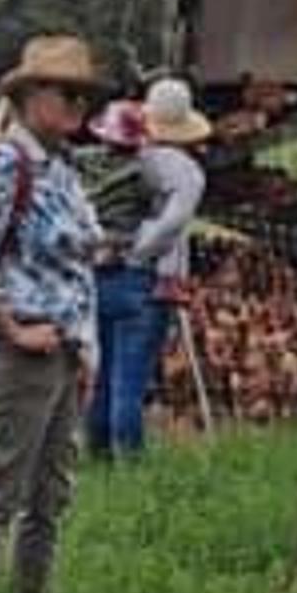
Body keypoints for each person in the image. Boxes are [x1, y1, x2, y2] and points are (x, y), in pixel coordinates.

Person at [0, 36, 110, 593]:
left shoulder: (62, 166)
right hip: (22, 354)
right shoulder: (6, 164)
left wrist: (81, 344)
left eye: (84, 96)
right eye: (66, 92)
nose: (77, 105)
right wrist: (12, 329)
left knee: (49, 497)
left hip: (62, 351)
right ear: (30, 95)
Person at [86, 75, 213, 458]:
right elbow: (172, 223)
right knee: (131, 378)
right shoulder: (186, 172)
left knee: (103, 372)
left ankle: (99, 455)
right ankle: (130, 459)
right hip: (144, 280)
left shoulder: (123, 159)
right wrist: (141, 252)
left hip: (102, 272)